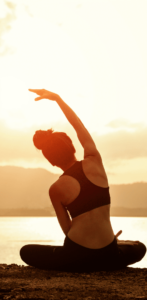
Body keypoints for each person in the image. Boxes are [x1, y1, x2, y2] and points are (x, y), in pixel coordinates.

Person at [20, 89, 146, 272]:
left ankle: (83, 260)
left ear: (51, 161)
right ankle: (112, 250)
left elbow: (68, 230)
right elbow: (78, 125)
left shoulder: (55, 189)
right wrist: (57, 99)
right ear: (72, 147)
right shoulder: (94, 160)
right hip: (108, 254)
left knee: (27, 251)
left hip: (76, 258)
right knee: (140, 247)